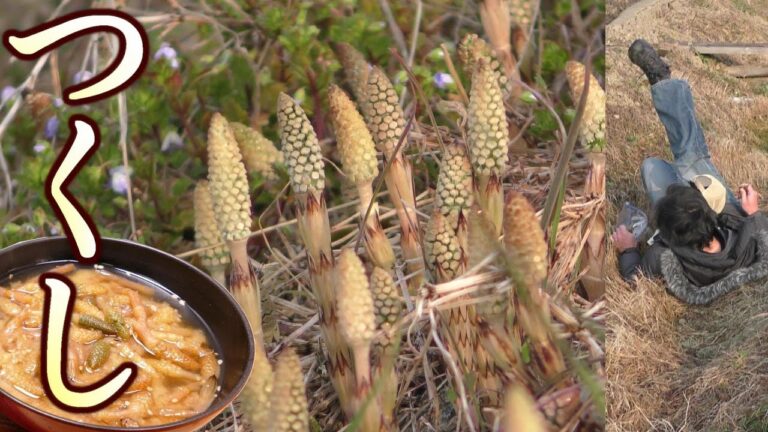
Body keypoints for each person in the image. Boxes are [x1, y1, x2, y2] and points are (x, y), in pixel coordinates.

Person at [611, 39, 768, 305]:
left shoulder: (664, 259)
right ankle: (663, 82)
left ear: (669, 237)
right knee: (690, 160)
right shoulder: (751, 234)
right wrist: (751, 213)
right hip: (729, 216)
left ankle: (663, 81)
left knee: (654, 166)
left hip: (712, 220)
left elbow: (634, 277)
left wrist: (627, 249)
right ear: (710, 213)